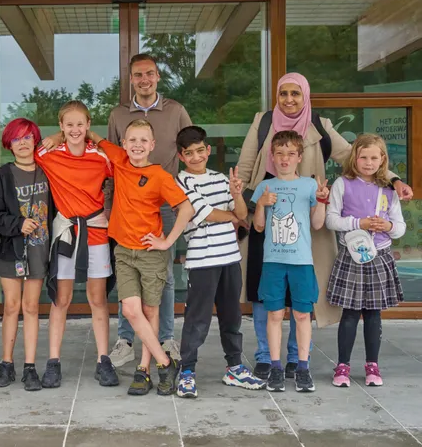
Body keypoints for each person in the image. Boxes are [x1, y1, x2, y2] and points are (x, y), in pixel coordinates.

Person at [236, 72, 414, 381]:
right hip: (266, 213)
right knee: (262, 289)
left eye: (296, 94)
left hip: (310, 219)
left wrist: (394, 180)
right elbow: (246, 167)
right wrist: (245, 209)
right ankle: (266, 355)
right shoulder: (262, 122)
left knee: (302, 292)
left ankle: (294, 356)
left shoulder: (320, 125)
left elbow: (356, 157)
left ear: (306, 96)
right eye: (284, 94)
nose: (289, 100)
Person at [86, 121, 194, 396]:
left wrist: (168, 242)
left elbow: (186, 208)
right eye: (132, 139)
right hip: (123, 251)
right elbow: (94, 137)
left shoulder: (159, 176)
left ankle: (144, 370)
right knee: (131, 310)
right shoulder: (119, 159)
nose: (137, 145)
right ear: (123, 143)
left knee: (150, 311)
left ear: (152, 145)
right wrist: (58, 135)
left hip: (150, 253)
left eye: (143, 140)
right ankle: (166, 362)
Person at [107, 53, 192, 368]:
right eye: (138, 75)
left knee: (164, 275)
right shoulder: (118, 115)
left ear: (158, 77)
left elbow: (189, 149)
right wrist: (108, 206)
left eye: (150, 74)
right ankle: (126, 339)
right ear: (131, 79)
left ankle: (166, 338)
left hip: (165, 203)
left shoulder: (176, 111)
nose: (144, 80)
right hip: (129, 206)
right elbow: (112, 161)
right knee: (128, 273)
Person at [173, 126, 265, 399]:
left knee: (232, 316)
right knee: (197, 320)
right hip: (202, 260)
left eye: (200, 150)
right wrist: (233, 216)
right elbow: (206, 214)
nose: (196, 157)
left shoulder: (222, 178)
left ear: (208, 150)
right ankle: (187, 371)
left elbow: (239, 212)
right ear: (181, 156)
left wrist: (236, 194)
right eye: (189, 153)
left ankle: (234, 367)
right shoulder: (180, 182)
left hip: (230, 259)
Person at [36, 101, 119, 389]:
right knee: (62, 299)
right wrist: (56, 139)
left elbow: (120, 162)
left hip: (96, 232)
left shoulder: (100, 157)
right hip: (66, 234)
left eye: (79, 124)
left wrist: (97, 138)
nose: (74, 129)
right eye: (68, 125)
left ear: (88, 125)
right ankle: (53, 361)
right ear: (61, 126)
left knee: (98, 299)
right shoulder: (50, 155)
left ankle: (103, 360)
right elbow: (27, 150)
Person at [325, 134, 406, 388]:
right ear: (354, 158)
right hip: (351, 256)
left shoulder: (389, 189)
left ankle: (373, 365)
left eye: (374, 157)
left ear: (383, 159)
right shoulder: (342, 184)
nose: (368, 162)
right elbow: (331, 219)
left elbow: (401, 227)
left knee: (373, 314)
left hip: (379, 256)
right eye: (363, 157)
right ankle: (342, 365)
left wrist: (389, 225)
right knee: (349, 313)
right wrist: (357, 223)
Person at [252, 131, 329, 393]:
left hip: (301, 262)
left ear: (299, 157)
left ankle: (302, 368)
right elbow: (259, 227)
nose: (285, 159)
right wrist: (261, 204)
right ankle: (275, 367)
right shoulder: (265, 186)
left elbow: (318, 224)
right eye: (280, 154)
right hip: (273, 261)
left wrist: (321, 201)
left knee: (302, 314)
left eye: (291, 154)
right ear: (272, 157)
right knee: (274, 313)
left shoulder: (309, 185)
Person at [0, 118, 54, 391]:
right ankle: (6, 364)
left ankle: (29, 367)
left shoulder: (47, 170)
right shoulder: (3, 175)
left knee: (32, 307)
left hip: (40, 248)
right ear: (9, 144)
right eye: (16, 138)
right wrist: (18, 224)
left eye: (27, 137)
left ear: (35, 140)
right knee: (12, 306)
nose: (23, 143)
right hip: (12, 248)